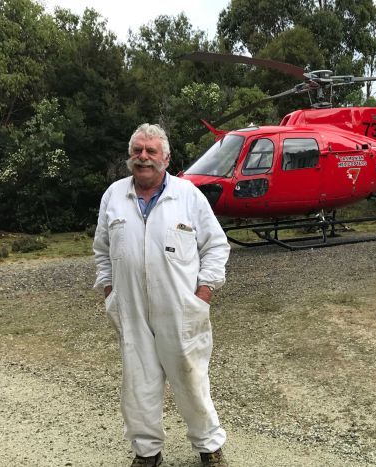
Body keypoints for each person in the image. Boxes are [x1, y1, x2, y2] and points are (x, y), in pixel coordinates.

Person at [93, 123, 230, 467]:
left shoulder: (187, 195)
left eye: (151, 151)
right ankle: (146, 452)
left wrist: (204, 291)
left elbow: (216, 245)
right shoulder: (114, 196)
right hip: (131, 309)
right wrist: (110, 291)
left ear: (166, 158)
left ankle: (209, 448)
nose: (143, 157)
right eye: (137, 151)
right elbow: (102, 250)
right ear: (130, 157)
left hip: (181, 309)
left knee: (191, 380)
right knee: (138, 385)